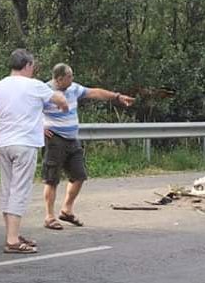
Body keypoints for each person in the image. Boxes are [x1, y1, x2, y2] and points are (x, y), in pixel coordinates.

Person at [0, 49, 68, 254]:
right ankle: (13, 241)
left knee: (7, 189)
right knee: (19, 190)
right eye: (33, 66)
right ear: (28, 65)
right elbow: (59, 99)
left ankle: (11, 233)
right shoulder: (35, 86)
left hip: (4, 144)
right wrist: (64, 106)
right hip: (25, 144)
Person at [41, 63, 135, 230]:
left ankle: (67, 209)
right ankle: (49, 216)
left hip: (72, 138)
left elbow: (95, 92)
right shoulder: (44, 90)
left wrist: (117, 97)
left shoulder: (74, 88)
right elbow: (30, 110)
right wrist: (39, 126)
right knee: (52, 179)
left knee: (79, 175)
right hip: (55, 138)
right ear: (60, 78)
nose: (73, 79)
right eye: (70, 77)